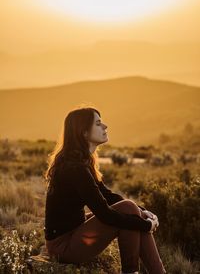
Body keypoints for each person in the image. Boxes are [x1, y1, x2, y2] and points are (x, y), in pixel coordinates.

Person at [43, 105, 167, 274]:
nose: (105, 126)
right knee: (128, 209)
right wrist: (145, 225)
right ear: (84, 132)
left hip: (74, 232)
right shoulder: (75, 168)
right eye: (98, 123)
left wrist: (143, 212)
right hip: (63, 246)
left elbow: (108, 196)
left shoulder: (81, 162)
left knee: (130, 209)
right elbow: (105, 214)